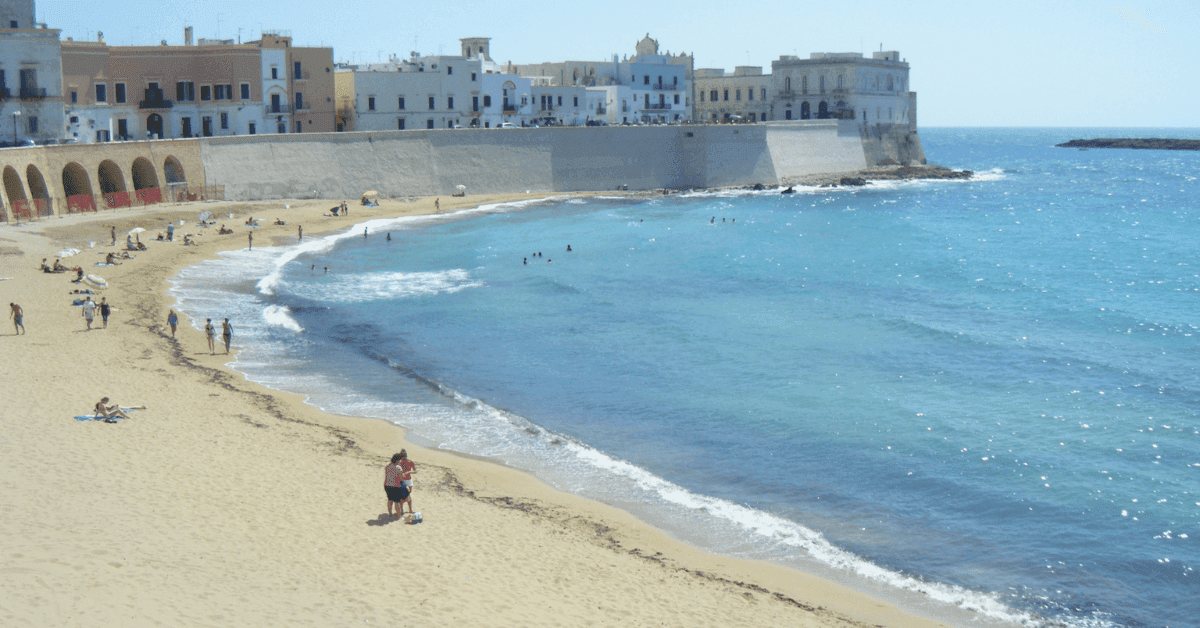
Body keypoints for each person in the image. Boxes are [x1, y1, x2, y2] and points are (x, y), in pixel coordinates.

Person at [383, 453, 410, 519]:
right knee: (397, 501)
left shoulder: (387, 466)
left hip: (387, 485)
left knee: (390, 499)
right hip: (395, 486)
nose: (400, 461)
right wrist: (403, 475)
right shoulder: (398, 468)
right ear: (397, 460)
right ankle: (399, 515)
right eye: (400, 460)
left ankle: (390, 513)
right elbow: (400, 478)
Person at [397, 449, 416, 515]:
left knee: (407, 495)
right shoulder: (400, 463)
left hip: (407, 480)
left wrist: (408, 472)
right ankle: (405, 510)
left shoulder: (410, 462)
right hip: (403, 480)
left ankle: (407, 510)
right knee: (405, 495)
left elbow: (415, 471)